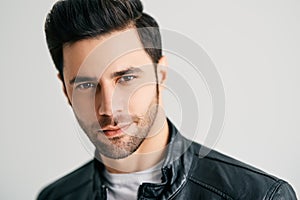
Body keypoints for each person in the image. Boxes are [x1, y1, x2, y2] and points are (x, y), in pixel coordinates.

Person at [38, 0, 297, 199]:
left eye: (126, 79)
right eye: (86, 84)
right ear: (65, 90)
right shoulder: (56, 196)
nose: (108, 108)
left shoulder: (260, 195)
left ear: (160, 75)